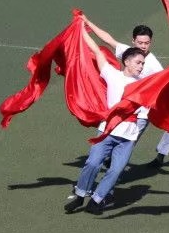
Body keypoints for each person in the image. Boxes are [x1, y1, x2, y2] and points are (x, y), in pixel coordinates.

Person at [63, 29, 148, 215]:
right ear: (127, 62)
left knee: (116, 171)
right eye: (138, 62)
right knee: (93, 163)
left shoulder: (144, 83)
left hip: (128, 137)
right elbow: (96, 50)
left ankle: (96, 200)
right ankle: (80, 194)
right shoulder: (112, 74)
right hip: (107, 131)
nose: (141, 66)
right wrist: (81, 28)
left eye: (143, 63)